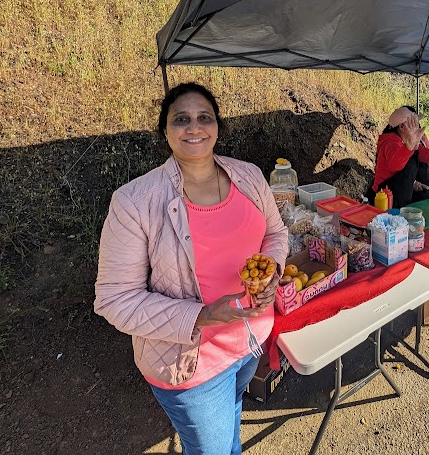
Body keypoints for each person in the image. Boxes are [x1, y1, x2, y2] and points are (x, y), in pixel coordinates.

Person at [94, 82, 288, 455]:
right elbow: (115, 299)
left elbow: (276, 233)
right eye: (181, 119)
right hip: (191, 363)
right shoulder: (135, 202)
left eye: (204, 117)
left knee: (230, 422)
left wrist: (272, 272)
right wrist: (199, 316)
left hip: (250, 341)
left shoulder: (248, 177)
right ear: (164, 130)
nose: (194, 127)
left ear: (217, 127)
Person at [367, 106, 429, 208]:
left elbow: (425, 154)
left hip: (398, 191)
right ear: (402, 127)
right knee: (412, 163)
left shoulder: (405, 141)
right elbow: (395, 165)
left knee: (426, 196)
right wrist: (409, 147)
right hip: (383, 195)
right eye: (413, 125)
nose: (417, 127)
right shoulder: (390, 142)